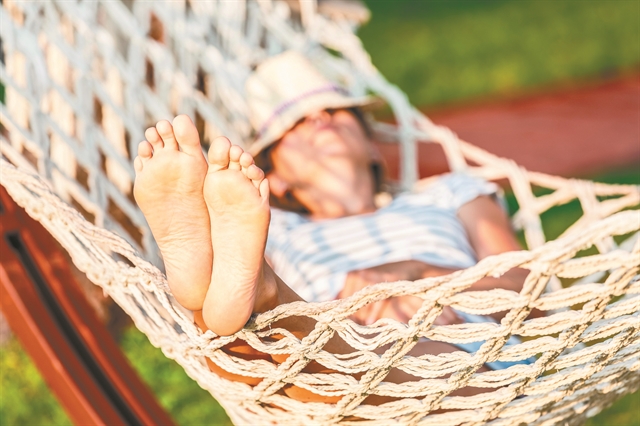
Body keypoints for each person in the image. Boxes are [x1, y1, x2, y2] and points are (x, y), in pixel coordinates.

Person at [133, 51, 534, 403]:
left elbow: (523, 282)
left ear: (371, 144)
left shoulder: (449, 193)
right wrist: (351, 312)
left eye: (335, 110)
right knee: (244, 337)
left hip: (468, 355)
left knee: (415, 355)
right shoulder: (269, 223)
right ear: (277, 177)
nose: (320, 117)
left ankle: (263, 294)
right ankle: (228, 278)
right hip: (320, 363)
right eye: (297, 124)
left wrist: (415, 277)